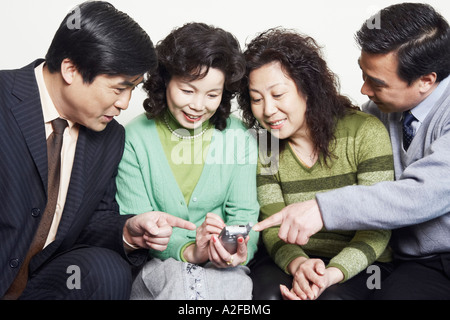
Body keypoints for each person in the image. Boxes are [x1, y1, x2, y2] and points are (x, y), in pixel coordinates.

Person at [0, 1, 195, 300]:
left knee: (107, 270)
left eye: (133, 89)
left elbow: (91, 222)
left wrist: (128, 231)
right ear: (70, 69)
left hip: (39, 284)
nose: (125, 104)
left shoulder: (109, 136)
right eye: (118, 89)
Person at [253, 3, 450, 299]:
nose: (364, 90)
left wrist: (323, 209)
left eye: (377, 83)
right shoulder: (378, 110)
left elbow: (424, 193)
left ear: (426, 80)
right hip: (415, 262)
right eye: (363, 74)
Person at [237, 28, 394, 300]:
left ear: (308, 88)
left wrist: (331, 273)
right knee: (268, 297)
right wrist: (299, 266)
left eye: (278, 95)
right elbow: (273, 227)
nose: (268, 110)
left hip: (364, 264)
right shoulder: (265, 146)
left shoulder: (365, 132)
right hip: (293, 259)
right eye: (256, 99)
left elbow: (377, 225)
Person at [115, 22, 260, 300]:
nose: (198, 105)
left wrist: (232, 249)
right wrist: (190, 251)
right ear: (165, 81)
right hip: (158, 265)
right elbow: (139, 221)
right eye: (188, 90)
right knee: (180, 287)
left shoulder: (238, 136)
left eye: (212, 95)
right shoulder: (134, 137)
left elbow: (243, 216)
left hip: (223, 270)